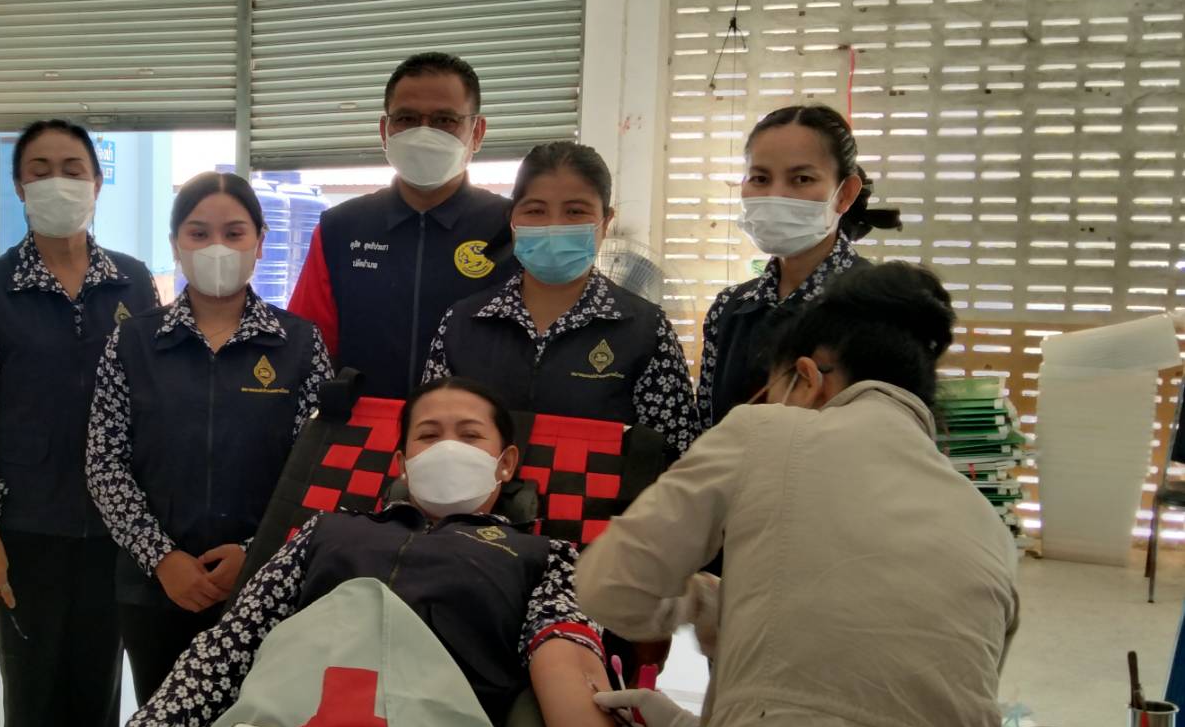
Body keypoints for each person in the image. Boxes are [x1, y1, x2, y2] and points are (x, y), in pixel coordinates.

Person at [576, 263, 1019, 727]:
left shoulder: (767, 431)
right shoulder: (988, 525)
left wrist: (695, 602)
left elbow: (611, 587)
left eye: (769, 389)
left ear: (806, 379)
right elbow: (875, 700)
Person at [86, 377, 631, 727]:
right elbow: (225, 652)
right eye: (428, 435)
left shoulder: (544, 557)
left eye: (470, 435)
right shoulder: (325, 531)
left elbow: (568, 666)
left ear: (506, 463)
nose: (448, 448)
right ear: (402, 463)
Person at [0, 119, 160, 727]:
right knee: (34, 702)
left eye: (73, 168)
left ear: (97, 183)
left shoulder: (132, 281)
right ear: (19, 186)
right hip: (26, 528)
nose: (57, 182)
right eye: (39, 169)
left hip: (114, 531)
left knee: (98, 699)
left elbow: (154, 406)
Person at [86, 171, 334, 705]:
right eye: (198, 233)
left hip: (265, 586)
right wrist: (162, 558)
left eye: (234, 232)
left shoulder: (299, 344)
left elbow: (315, 471)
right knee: (163, 725)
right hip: (155, 588)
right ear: (176, 244)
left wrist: (255, 554)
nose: (216, 246)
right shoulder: (133, 341)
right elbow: (105, 463)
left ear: (260, 242)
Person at [424, 141, 700, 458]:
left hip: (600, 492)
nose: (554, 225)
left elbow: (676, 456)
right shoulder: (462, 323)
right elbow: (430, 437)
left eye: (575, 211)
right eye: (535, 211)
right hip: (478, 491)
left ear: (606, 221)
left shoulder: (646, 331)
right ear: (512, 221)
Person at [287, 51, 514, 399]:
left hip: (471, 428)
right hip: (361, 426)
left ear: (477, 131)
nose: (424, 133)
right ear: (385, 130)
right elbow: (307, 347)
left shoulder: (509, 229)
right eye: (406, 119)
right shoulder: (341, 228)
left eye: (445, 120)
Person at [696, 103, 900, 430]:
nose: (776, 194)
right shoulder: (730, 309)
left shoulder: (884, 309)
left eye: (801, 179)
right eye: (760, 178)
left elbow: (894, 440)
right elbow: (708, 431)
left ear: (844, 194)